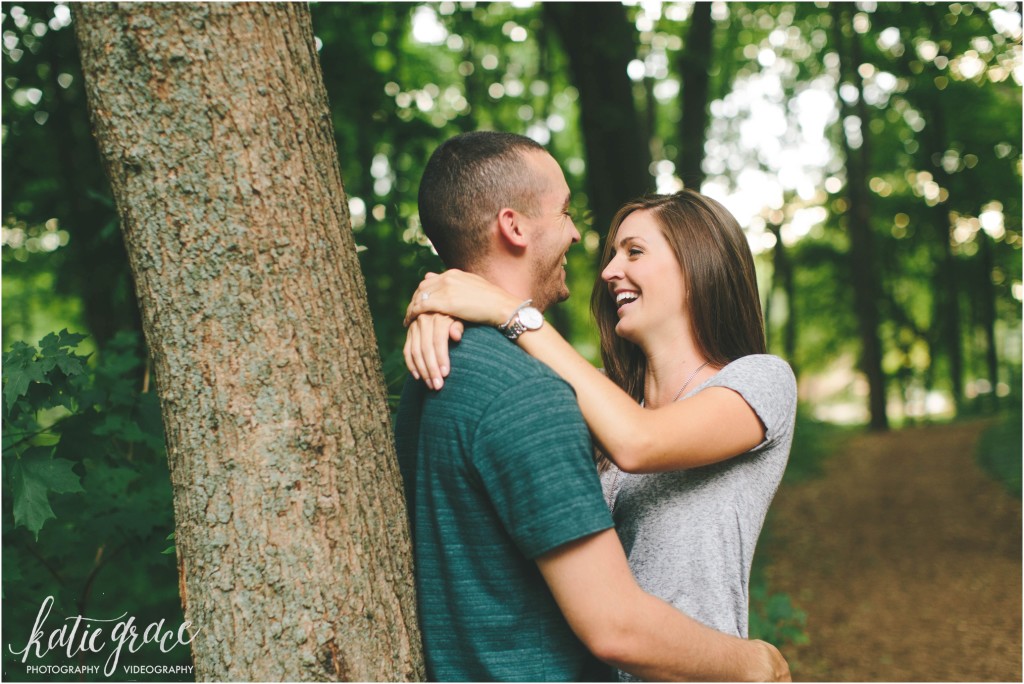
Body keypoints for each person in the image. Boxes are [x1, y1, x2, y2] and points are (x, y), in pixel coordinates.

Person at [395, 131, 790, 682]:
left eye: (634, 252)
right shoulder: (596, 396)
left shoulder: (761, 381)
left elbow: (640, 442)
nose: (605, 270)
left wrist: (505, 309)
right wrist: (445, 304)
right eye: (611, 254)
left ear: (696, 264)